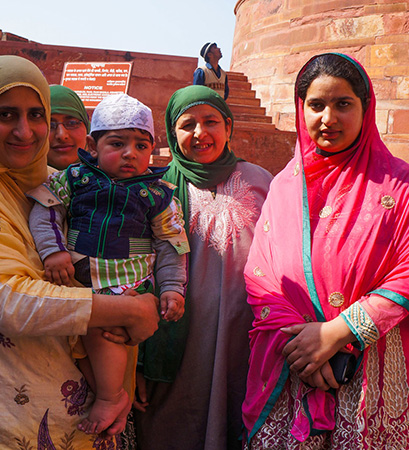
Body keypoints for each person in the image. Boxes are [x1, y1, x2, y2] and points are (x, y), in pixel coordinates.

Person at [0, 55, 160, 449]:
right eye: (6, 114)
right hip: (1, 420)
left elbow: (111, 266)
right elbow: (9, 303)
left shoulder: (61, 186)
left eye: (37, 114)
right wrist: (131, 310)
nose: (26, 131)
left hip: (89, 417)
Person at [242, 53, 409, 449]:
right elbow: (259, 274)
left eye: (343, 104)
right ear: (302, 110)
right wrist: (303, 348)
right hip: (294, 360)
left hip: (374, 361)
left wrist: (336, 333)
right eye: (316, 105)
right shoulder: (284, 186)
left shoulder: (399, 182)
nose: (328, 118)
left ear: (366, 109)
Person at [28, 93, 190, 435]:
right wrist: (52, 252)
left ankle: (111, 395)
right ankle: (107, 392)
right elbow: (46, 212)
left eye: (141, 146)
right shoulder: (75, 178)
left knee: (107, 332)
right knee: (83, 334)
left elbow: (171, 245)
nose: (130, 154)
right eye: (117, 143)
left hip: (125, 282)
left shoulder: (159, 193)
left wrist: (173, 288)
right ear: (93, 145)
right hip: (77, 274)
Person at [130, 85, 273, 450]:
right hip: (179, 339)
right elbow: (140, 271)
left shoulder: (261, 181)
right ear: (172, 134)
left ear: (228, 126)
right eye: (187, 124)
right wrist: (141, 361)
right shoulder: (156, 190)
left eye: (211, 121)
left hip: (245, 336)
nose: (200, 133)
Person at [48, 85, 89, 170]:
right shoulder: (17, 180)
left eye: (72, 123)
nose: (62, 135)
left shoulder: (114, 175)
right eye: (50, 125)